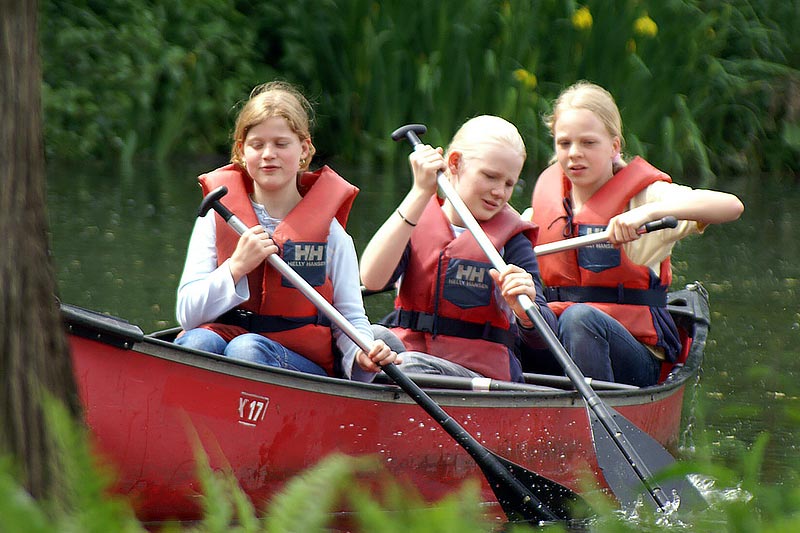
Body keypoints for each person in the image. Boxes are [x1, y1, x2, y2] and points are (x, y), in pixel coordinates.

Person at [175, 81, 398, 381]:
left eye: (281, 144)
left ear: (304, 149)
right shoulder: (214, 219)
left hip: (299, 364)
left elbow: (350, 316)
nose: (269, 154)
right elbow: (187, 315)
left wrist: (361, 354)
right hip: (228, 338)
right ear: (241, 151)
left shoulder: (331, 234)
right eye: (257, 145)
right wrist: (236, 267)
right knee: (196, 342)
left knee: (247, 348)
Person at [528, 81, 744, 386]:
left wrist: (649, 213)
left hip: (633, 357)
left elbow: (731, 206)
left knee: (579, 319)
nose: (575, 154)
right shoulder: (544, 205)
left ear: (615, 146)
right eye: (565, 144)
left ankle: (595, 420)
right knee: (516, 320)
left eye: (589, 143)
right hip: (561, 346)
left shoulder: (645, 198)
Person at [360, 115, 557, 383]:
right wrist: (419, 192)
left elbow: (544, 334)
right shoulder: (417, 217)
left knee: (406, 365)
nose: (499, 191)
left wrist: (525, 308)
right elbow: (371, 278)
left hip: (478, 375)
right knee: (360, 337)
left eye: (509, 183)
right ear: (454, 163)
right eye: (490, 176)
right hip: (411, 353)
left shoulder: (513, 241)